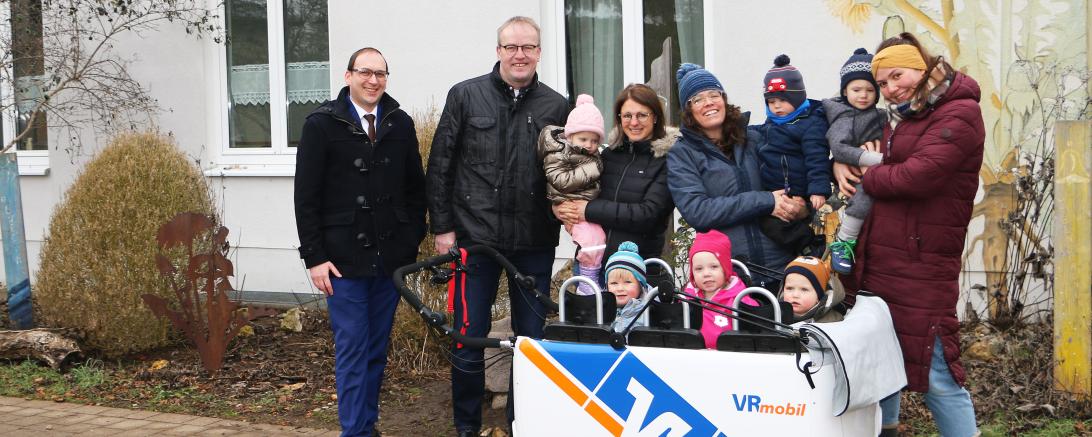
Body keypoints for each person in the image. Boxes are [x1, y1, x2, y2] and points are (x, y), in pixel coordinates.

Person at [834, 32, 984, 437]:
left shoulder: (959, 112)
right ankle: (888, 431)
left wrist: (872, 174)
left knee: (937, 368)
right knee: (880, 360)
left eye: (897, 76)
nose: (889, 88)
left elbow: (919, 175)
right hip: (884, 258)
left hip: (922, 262)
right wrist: (842, 165)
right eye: (882, 83)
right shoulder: (906, 115)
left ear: (922, 67)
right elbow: (849, 145)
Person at [425, 16, 568, 437]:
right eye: (511, 47)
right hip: (475, 241)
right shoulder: (466, 96)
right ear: (498, 50)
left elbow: (567, 172)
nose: (519, 55)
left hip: (533, 242)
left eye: (528, 47)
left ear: (540, 52)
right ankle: (466, 427)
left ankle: (523, 424)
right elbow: (441, 166)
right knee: (469, 336)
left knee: (531, 341)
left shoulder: (556, 106)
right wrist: (443, 227)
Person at [294, 47, 426, 437]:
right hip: (341, 261)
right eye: (366, 72)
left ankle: (366, 426)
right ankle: (355, 431)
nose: (374, 81)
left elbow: (415, 190)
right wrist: (315, 257)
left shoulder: (399, 122)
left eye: (381, 74)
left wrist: (410, 238)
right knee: (352, 352)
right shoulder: (321, 124)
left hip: (389, 260)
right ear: (348, 75)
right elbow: (306, 196)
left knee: (375, 351)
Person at [668, 63, 808, 290]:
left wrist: (802, 205)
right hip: (730, 276)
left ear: (724, 99)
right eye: (698, 99)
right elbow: (698, 211)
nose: (709, 103)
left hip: (783, 267)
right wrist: (766, 201)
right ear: (688, 110)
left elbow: (795, 170)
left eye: (714, 94)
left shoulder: (755, 137)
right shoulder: (682, 154)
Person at [554, 84, 677, 291]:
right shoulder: (608, 156)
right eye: (626, 115)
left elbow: (647, 214)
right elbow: (575, 190)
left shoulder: (667, 160)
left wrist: (588, 210)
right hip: (591, 266)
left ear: (655, 117)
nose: (634, 122)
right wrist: (561, 209)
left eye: (642, 115)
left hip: (634, 272)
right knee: (591, 323)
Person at [754, 54, 832, 256]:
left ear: (797, 98)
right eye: (771, 101)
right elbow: (759, 135)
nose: (776, 106)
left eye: (782, 100)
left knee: (781, 225)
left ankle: (810, 245)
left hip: (800, 190)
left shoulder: (810, 124)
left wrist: (818, 190)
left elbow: (817, 158)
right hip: (776, 191)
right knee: (767, 222)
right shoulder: (772, 123)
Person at [821, 48, 886, 274]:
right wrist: (876, 159)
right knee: (862, 198)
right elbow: (838, 149)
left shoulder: (880, 115)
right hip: (858, 176)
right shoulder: (844, 116)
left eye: (870, 90)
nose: (863, 95)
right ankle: (844, 242)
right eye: (856, 89)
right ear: (845, 90)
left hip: (877, 174)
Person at [538, 94, 606, 294]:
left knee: (596, 242)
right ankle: (587, 286)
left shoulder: (590, 156)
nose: (589, 145)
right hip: (570, 206)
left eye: (594, 140)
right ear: (570, 136)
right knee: (592, 242)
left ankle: (590, 283)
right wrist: (594, 169)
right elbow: (561, 181)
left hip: (584, 206)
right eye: (583, 139)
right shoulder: (559, 154)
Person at [682, 230, 756, 349]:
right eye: (699, 269)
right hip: (693, 358)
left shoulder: (739, 300)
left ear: (725, 268)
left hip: (728, 359)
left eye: (714, 267)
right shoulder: (686, 298)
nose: (706, 274)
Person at [779, 256, 844, 323]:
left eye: (804, 289)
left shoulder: (832, 322)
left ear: (819, 295)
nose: (795, 295)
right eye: (789, 288)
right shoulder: (775, 313)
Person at [603, 241, 650, 333]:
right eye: (614, 283)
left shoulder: (648, 312)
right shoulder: (601, 310)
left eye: (627, 282)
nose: (620, 288)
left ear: (641, 285)